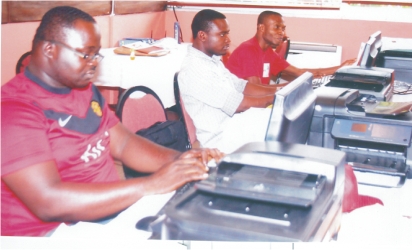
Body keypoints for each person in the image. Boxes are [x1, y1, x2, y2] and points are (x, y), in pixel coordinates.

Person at [1, 6, 223, 237]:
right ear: (49, 49)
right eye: (86, 54)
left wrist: (182, 160)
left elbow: (124, 143)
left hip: (111, 214)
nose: (94, 63)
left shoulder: (82, 90)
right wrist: (151, 185)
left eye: (96, 55)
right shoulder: (14, 110)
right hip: (52, 233)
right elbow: (48, 202)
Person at [178, 9, 279, 154]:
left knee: (277, 120)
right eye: (222, 34)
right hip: (220, 139)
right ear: (202, 36)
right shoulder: (195, 69)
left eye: (227, 33)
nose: (228, 40)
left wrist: (279, 90)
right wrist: (278, 98)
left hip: (233, 125)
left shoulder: (211, 61)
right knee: (278, 124)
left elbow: (241, 86)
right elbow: (239, 104)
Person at [227, 10, 356, 85]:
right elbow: (256, 90)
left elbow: (299, 72)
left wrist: (340, 68)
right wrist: (289, 88)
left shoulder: (267, 52)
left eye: (283, 29)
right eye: (276, 27)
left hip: (258, 103)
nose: (281, 33)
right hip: (246, 108)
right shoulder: (248, 50)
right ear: (262, 28)